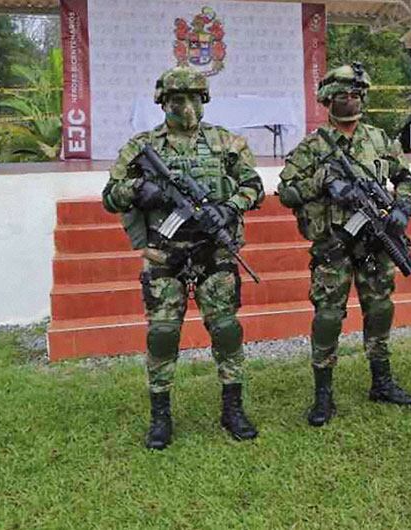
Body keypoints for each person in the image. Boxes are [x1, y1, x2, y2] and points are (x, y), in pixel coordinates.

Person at [102, 66, 265, 450]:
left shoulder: (227, 142)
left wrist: (229, 208)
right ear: (163, 102)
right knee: (162, 334)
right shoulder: (142, 146)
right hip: (165, 254)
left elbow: (254, 187)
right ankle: (160, 417)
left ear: (204, 100)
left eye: (194, 97)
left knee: (226, 330)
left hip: (214, 252)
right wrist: (140, 189)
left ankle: (232, 409)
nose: (187, 106)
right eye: (178, 99)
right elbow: (110, 196)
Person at [277, 64, 411, 427]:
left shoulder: (379, 139)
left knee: (380, 310)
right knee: (328, 317)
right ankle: (323, 395)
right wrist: (324, 182)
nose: (351, 100)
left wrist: (402, 208)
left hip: (374, 243)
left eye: (356, 94)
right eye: (343, 94)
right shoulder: (313, 147)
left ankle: (382, 382)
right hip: (334, 245)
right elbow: (286, 191)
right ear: (327, 99)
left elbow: (405, 177)